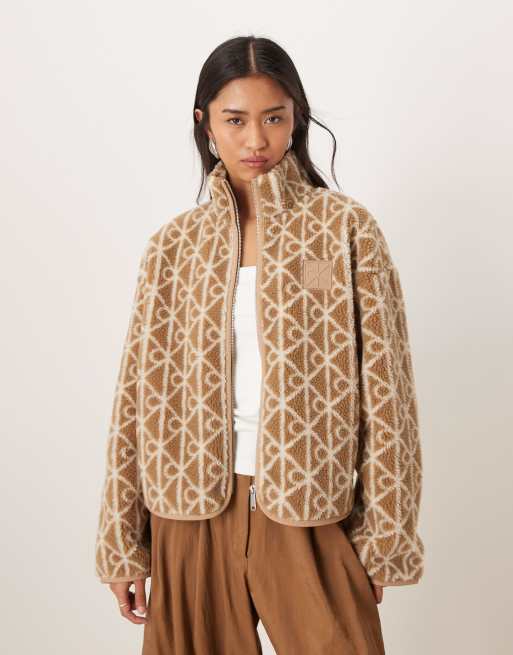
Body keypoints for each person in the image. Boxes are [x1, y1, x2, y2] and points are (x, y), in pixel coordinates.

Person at [94, 35, 425, 655]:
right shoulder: (173, 248)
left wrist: (386, 535)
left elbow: (389, 398)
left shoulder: (344, 230)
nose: (256, 140)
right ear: (205, 124)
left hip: (311, 508)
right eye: (235, 120)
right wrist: (122, 540)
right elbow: (134, 402)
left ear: (296, 118)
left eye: (273, 118)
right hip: (187, 511)